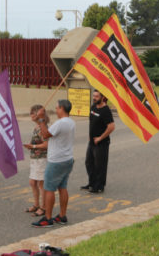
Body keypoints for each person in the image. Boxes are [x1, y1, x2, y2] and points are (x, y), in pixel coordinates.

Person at [31, 99, 75, 228]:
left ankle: (48, 218)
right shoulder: (71, 122)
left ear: (61, 108)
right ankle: (62, 215)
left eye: (56, 108)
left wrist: (41, 119)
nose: (55, 110)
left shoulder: (60, 123)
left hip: (56, 160)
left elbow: (45, 134)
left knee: (49, 188)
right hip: (67, 159)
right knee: (62, 187)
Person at [81, 90, 115, 194]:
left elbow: (111, 127)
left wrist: (100, 138)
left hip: (101, 143)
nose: (94, 98)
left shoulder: (106, 110)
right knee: (89, 162)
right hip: (91, 142)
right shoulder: (93, 107)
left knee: (100, 165)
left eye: (96, 96)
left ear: (102, 97)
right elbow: (91, 123)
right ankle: (92, 183)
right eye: (94, 96)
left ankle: (99, 186)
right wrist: (89, 136)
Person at [23, 104, 48, 217]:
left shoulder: (43, 128)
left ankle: (44, 207)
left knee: (41, 184)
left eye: (33, 112)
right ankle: (36, 204)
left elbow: (47, 144)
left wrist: (32, 147)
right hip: (35, 159)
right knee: (32, 182)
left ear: (39, 114)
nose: (31, 115)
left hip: (42, 159)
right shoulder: (36, 127)